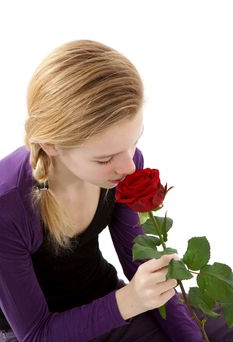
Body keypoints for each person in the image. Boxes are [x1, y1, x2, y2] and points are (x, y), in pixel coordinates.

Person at [0, 40, 232, 342]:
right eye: (104, 158)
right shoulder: (7, 208)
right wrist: (130, 301)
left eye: (133, 142)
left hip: (107, 302)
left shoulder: (122, 168)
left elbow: (139, 264)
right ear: (51, 145)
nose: (129, 168)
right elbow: (36, 334)